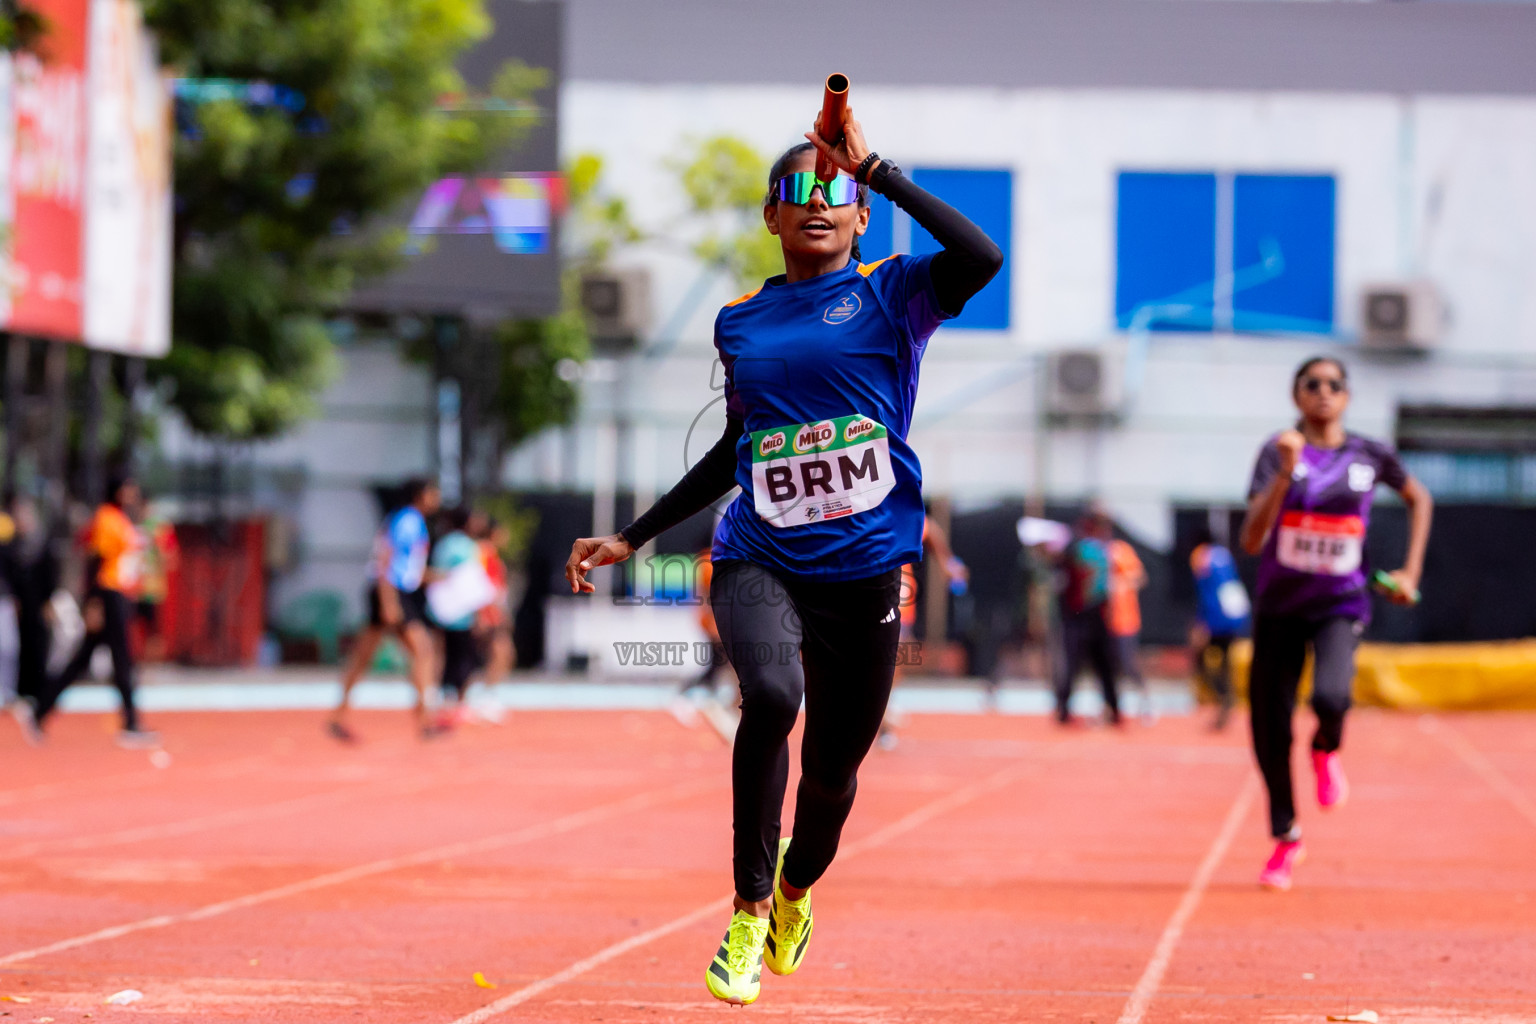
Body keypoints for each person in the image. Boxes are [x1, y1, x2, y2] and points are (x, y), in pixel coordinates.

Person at [564, 105, 1002, 1006]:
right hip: (759, 554)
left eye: (832, 191)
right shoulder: (741, 321)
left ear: (858, 215)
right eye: (794, 191)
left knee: (836, 772)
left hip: (869, 566)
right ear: (770, 217)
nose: (815, 201)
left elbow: (983, 257)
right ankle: (746, 907)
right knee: (770, 694)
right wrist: (635, 535)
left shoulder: (898, 293)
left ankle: (797, 891)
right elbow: (738, 448)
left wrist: (874, 164)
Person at [1239, 356, 1432, 892]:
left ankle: (1326, 747)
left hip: (1339, 603)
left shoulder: (1369, 454)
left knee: (1331, 697)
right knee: (1270, 729)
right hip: (1279, 606)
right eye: (1312, 384)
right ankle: (1286, 837)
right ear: (1296, 394)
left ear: (1347, 396)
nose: (1324, 392)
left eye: (1334, 385)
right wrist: (1283, 471)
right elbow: (1252, 540)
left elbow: (1420, 498)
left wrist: (1410, 571)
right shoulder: (1277, 452)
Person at [27, 476, 158, 747]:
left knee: (83, 660)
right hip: (108, 596)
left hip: (119, 595)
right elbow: (95, 561)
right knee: (121, 660)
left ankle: (41, 709)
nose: (132, 493)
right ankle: (130, 723)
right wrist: (94, 603)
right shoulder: (106, 518)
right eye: (128, 487)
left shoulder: (120, 519)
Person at [328, 478, 441, 742]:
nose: (436, 498)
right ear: (420, 494)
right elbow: (386, 559)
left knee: (363, 656)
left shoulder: (410, 520)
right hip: (391, 592)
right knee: (422, 650)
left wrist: (438, 578)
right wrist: (389, 601)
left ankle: (338, 715)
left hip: (394, 591)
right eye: (433, 492)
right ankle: (424, 719)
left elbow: (409, 566)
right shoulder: (408, 520)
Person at [880, 515, 967, 749]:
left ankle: (885, 714)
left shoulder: (897, 512)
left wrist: (948, 564)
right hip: (865, 592)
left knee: (894, 658)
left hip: (897, 595)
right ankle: (880, 711)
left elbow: (930, 530)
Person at [1054, 510, 1120, 727]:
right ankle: (1114, 710)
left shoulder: (1078, 549)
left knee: (1074, 664)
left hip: (1079, 616)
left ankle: (1064, 710)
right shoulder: (1099, 551)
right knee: (1102, 665)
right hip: (1092, 614)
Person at [1189, 525, 1250, 731]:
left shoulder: (1201, 557)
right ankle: (1226, 701)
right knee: (1225, 662)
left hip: (1215, 617)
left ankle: (1223, 698)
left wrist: (1201, 623)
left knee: (1199, 661)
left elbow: (1205, 592)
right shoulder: (1224, 555)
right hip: (1234, 615)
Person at [429, 507, 486, 717]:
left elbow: (438, 575)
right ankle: (459, 701)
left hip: (443, 611)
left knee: (444, 655)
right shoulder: (469, 546)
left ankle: (443, 698)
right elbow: (473, 584)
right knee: (464, 657)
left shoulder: (443, 544)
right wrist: (480, 613)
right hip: (463, 613)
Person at [1102, 519, 1151, 724]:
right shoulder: (1093, 551)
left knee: (1128, 664)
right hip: (1104, 621)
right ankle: (1111, 708)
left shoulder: (1121, 550)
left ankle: (1145, 703)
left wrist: (1120, 583)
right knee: (1108, 667)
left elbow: (1140, 577)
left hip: (1125, 619)